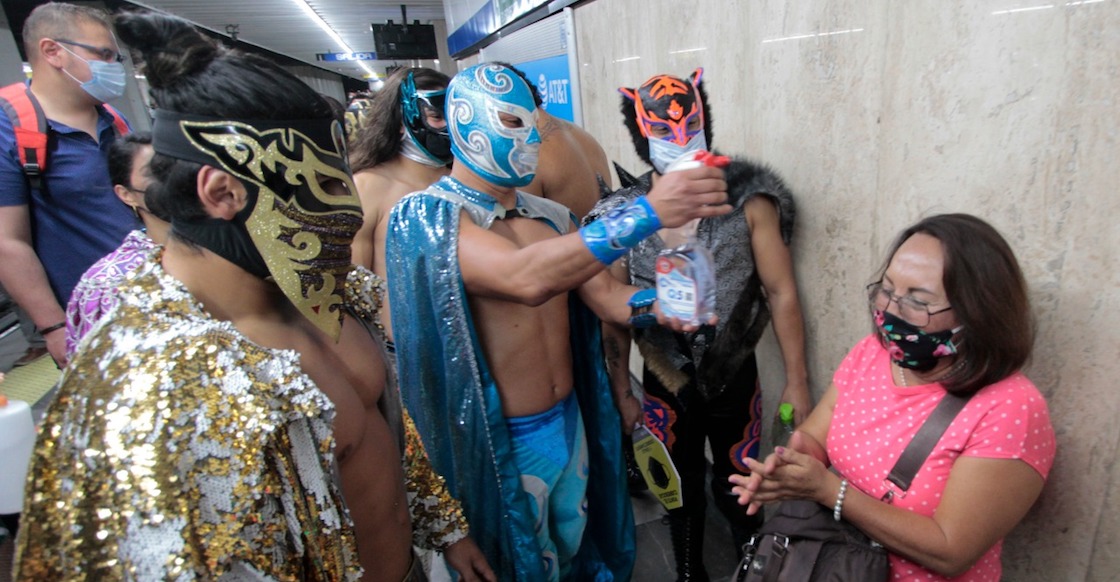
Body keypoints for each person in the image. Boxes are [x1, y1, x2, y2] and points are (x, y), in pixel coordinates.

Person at [13, 12, 493, 582]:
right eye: (328, 185)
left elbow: (388, 433)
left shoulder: (329, 297)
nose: (351, 209)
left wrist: (445, 528)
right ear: (223, 193)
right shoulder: (145, 391)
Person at [386, 62, 731, 581]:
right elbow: (525, 278)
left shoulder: (552, 217)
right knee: (515, 566)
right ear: (463, 121)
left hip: (570, 426)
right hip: (498, 444)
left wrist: (659, 306)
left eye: (532, 125)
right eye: (510, 123)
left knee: (572, 555)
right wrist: (648, 212)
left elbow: (609, 299)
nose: (527, 140)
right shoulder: (428, 219)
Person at [730, 213, 1056, 581]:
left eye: (918, 300)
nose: (888, 310)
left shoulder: (1011, 409)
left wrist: (829, 491)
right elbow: (816, 438)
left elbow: (951, 551)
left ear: (978, 310)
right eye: (887, 289)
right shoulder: (872, 353)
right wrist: (787, 467)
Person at [588, 67, 811, 581]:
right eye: (663, 129)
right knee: (674, 483)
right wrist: (622, 389)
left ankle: (753, 565)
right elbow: (611, 316)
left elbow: (780, 291)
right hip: (665, 378)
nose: (679, 136)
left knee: (742, 482)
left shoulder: (748, 202)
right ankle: (689, 568)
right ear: (642, 133)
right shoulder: (624, 215)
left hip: (735, 372)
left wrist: (797, 380)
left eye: (688, 122)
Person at [0, 2, 138, 368]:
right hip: (91, 326)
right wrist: (55, 327)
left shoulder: (114, 121)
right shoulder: (10, 130)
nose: (112, 67)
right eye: (103, 54)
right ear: (52, 52)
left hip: (151, 305)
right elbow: (7, 242)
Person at [350, 67, 451, 347]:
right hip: (400, 353)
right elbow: (353, 289)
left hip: (466, 347)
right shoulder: (368, 186)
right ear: (401, 119)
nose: (448, 127)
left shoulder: (465, 181)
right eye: (437, 116)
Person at [64, 132, 168, 356]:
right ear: (126, 194)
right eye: (157, 172)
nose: (174, 180)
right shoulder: (108, 285)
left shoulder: (234, 246)